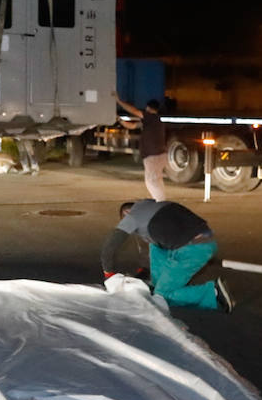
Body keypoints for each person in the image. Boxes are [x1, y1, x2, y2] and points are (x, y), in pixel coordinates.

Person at [100, 199, 234, 312]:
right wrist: (144, 271)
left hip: (193, 249)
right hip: (202, 239)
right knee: (155, 248)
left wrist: (109, 275)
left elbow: (109, 247)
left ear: (127, 213)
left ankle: (214, 293)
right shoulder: (150, 205)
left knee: (162, 296)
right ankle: (156, 285)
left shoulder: (133, 216)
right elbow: (152, 245)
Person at [115, 93, 167, 201]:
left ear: (148, 108)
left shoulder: (151, 117)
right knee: (156, 180)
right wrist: (119, 119)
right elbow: (132, 126)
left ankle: (160, 203)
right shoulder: (154, 121)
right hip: (160, 155)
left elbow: (134, 111)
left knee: (150, 181)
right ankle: (161, 201)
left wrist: (119, 101)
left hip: (153, 156)